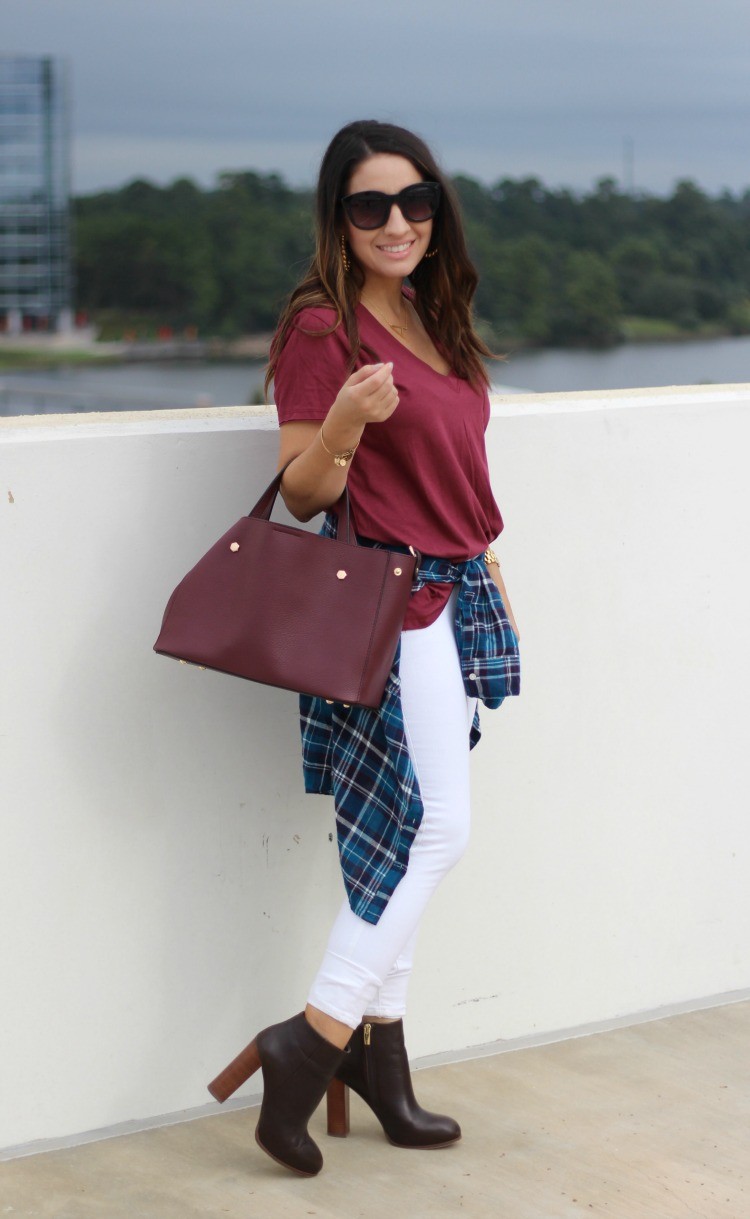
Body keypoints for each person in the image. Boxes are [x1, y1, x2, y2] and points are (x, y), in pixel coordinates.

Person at [207, 119, 521, 1177]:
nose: (398, 222)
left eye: (416, 201)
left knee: (396, 842)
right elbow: (303, 491)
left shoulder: (433, 311)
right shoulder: (321, 327)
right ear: (338, 223)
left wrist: (496, 579)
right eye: (371, 206)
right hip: (390, 601)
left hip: (455, 589)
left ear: (439, 211)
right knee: (434, 827)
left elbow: (456, 477)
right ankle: (309, 1043)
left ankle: (380, 1069)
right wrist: (342, 420)